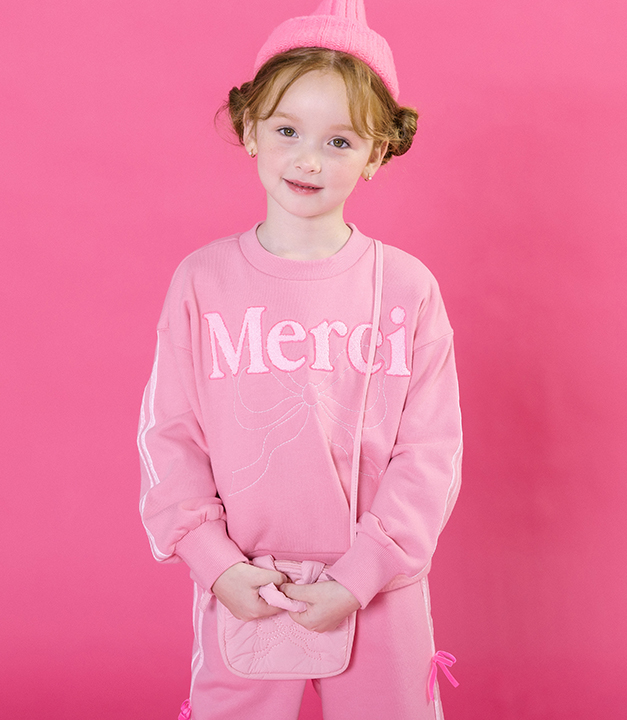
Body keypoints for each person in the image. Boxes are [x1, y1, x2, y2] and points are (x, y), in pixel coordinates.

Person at [138, 1, 462, 718]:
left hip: (379, 592)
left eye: (340, 141)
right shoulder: (202, 281)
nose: (309, 159)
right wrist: (216, 564)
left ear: (377, 154)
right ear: (251, 128)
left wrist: (362, 575)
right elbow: (171, 437)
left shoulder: (406, 288)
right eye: (288, 130)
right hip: (246, 586)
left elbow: (431, 453)